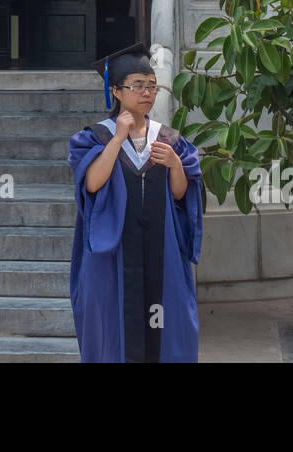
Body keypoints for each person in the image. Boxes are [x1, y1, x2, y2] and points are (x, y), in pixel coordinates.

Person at [68, 42, 203, 362]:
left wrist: (175, 165)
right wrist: (117, 138)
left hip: (162, 254)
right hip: (112, 256)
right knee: (113, 335)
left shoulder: (170, 140)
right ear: (116, 91)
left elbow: (183, 196)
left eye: (152, 86)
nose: (147, 93)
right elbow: (91, 184)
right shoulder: (93, 137)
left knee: (168, 330)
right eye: (138, 86)